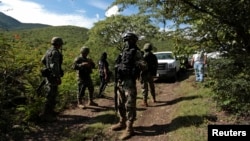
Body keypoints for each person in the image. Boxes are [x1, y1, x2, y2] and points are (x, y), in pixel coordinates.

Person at [111, 32, 147, 140]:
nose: (127, 42)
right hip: (121, 81)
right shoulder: (123, 52)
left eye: (129, 40)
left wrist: (138, 64)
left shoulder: (136, 52)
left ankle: (129, 128)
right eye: (126, 40)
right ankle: (122, 121)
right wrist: (118, 66)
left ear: (133, 41)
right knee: (120, 103)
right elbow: (118, 64)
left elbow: (144, 65)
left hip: (129, 82)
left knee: (130, 104)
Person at [40, 37, 64, 121]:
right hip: (53, 76)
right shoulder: (55, 52)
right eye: (61, 44)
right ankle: (46, 115)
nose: (61, 45)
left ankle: (51, 111)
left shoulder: (48, 51)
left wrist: (47, 67)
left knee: (52, 94)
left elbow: (42, 60)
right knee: (51, 95)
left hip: (48, 75)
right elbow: (55, 66)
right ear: (58, 44)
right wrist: (57, 77)